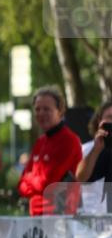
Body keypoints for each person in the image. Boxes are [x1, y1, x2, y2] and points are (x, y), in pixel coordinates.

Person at [18, 85, 83, 216]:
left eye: (46, 109)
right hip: (35, 218)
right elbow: (21, 185)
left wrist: (30, 179)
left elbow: (47, 184)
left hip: (59, 219)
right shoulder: (40, 142)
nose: (41, 113)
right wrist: (32, 181)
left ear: (60, 111)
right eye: (37, 109)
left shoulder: (69, 140)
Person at [76, 100, 112, 214]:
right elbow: (81, 178)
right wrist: (96, 149)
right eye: (110, 117)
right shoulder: (89, 149)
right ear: (99, 121)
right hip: (97, 223)